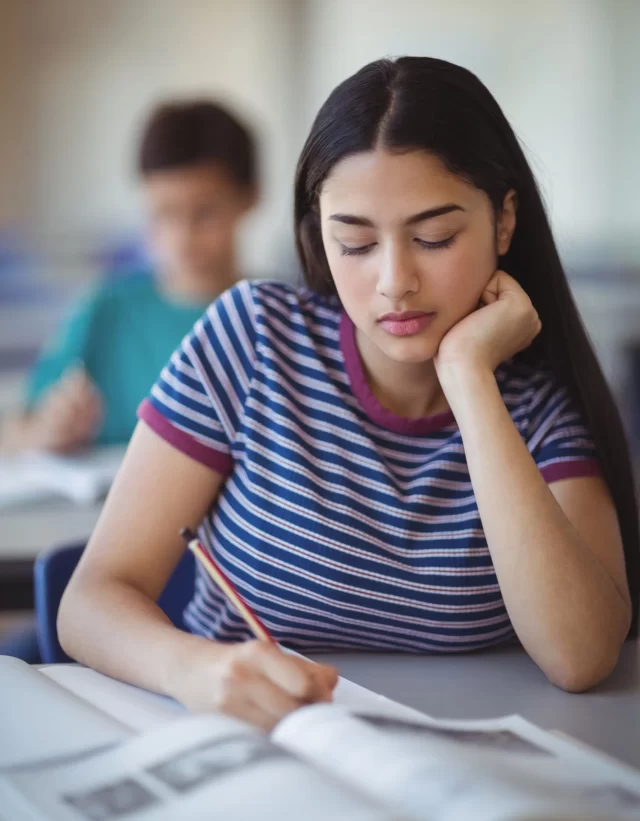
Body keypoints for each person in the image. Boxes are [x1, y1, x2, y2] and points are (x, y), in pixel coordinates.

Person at [58, 57, 639, 731]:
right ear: (318, 233)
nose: (395, 280)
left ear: (504, 222)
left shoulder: (535, 402)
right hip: (247, 742)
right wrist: (193, 668)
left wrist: (469, 377)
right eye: (355, 242)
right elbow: (92, 599)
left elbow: (581, 655)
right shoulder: (251, 340)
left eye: (434, 237)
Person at [0, 99, 258, 453]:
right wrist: (48, 430)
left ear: (250, 197)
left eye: (205, 214)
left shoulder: (272, 316)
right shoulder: (107, 310)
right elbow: (16, 431)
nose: (182, 239)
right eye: (164, 214)